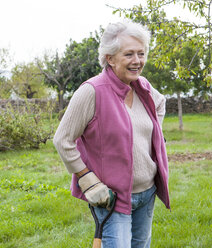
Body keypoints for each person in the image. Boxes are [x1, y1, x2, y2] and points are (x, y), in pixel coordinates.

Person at [53, 20, 170, 248]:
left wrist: (153, 136)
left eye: (141, 53)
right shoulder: (92, 91)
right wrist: (88, 181)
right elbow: (63, 139)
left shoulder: (142, 86)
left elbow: (161, 104)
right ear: (110, 58)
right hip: (111, 198)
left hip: (147, 192)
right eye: (128, 54)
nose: (137, 61)